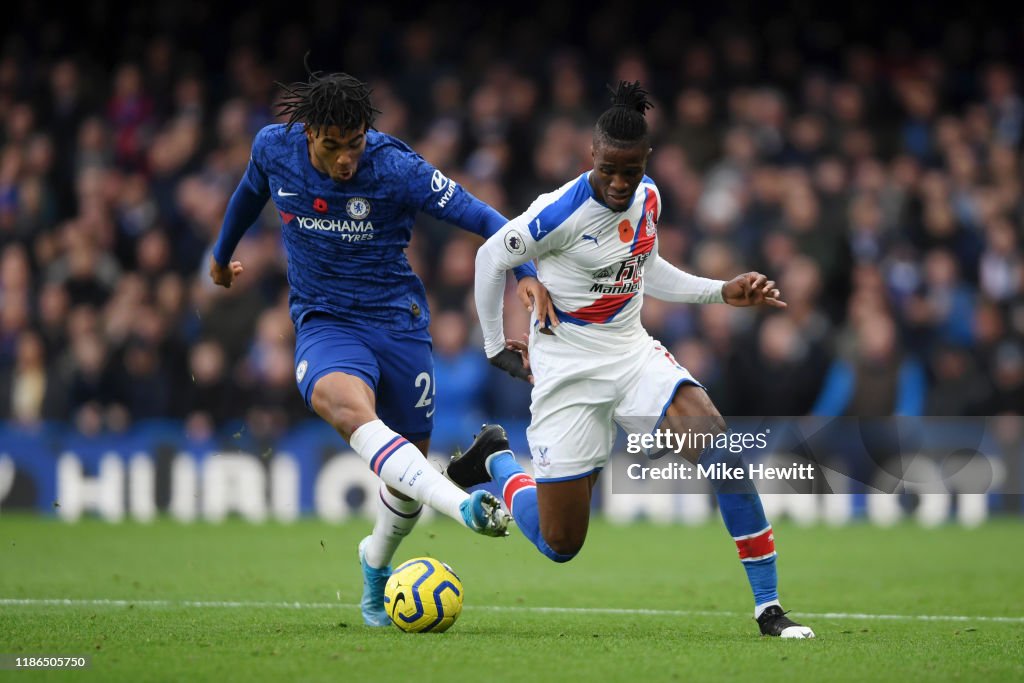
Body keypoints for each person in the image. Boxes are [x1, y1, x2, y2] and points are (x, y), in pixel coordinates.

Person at [448, 81, 815, 638]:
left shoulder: (649, 196)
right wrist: (495, 344)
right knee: (561, 544)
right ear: (591, 157)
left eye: (631, 169)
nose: (620, 182)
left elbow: (645, 267)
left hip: (630, 351)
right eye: (609, 170)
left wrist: (722, 291)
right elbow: (488, 255)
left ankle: (768, 607)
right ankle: (498, 462)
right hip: (566, 367)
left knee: (717, 443)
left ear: (646, 159)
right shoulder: (559, 212)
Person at [208, 64, 551, 627]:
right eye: (333, 146)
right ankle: (464, 506)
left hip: (399, 325)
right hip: (325, 323)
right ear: (308, 135)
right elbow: (249, 193)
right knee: (347, 409)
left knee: (405, 481)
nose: (347, 158)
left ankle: (374, 563)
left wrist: (524, 273)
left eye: (355, 144)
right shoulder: (275, 148)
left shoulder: (397, 167)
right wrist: (221, 258)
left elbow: (486, 217)